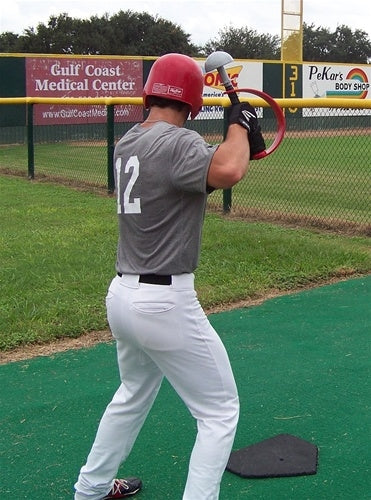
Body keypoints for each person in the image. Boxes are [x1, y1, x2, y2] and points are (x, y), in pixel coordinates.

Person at [74, 53, 265, 500]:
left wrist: (239, 132)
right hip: (164, 301)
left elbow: (217, 167)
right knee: (219, 412)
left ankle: (92, 487)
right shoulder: (178, 144)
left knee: (133, 392)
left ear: (151, 92)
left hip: (122, 295)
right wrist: (239, 122)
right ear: (193, 103)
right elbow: (230, 169)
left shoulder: (128, 142)